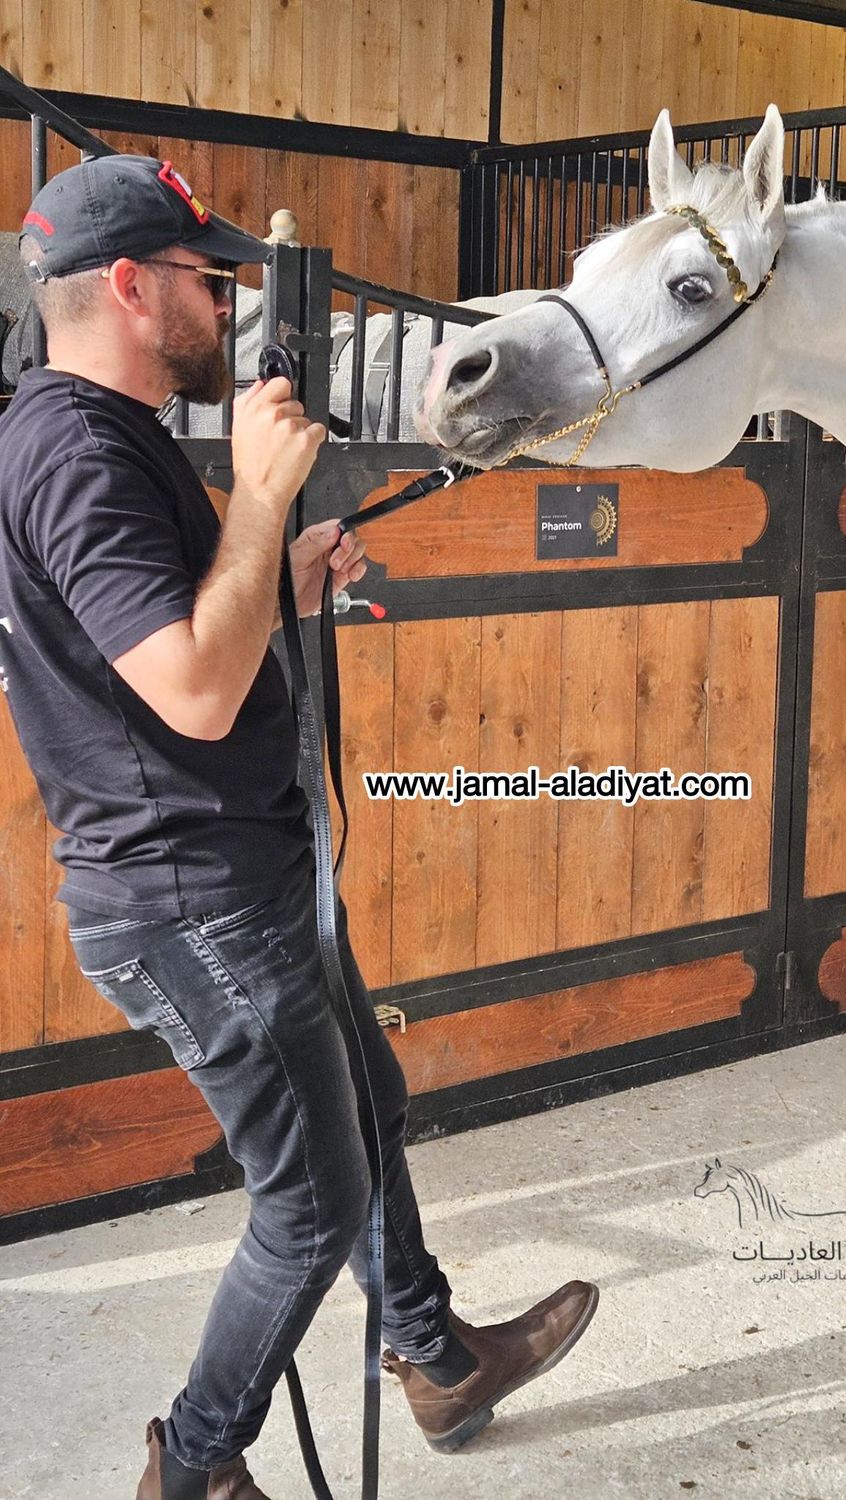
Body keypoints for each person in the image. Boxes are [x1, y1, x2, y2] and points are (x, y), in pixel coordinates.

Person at [0, 155, 598, 1500]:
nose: (228, 305)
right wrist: (265, 502)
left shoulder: (99, 433)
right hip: (189, 897)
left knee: (366, 1114)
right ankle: (196, 1467)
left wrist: (278, 575)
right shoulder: (78, 454)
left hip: (237, 876)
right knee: (309, 1203)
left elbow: (164, 641)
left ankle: (433, 1354)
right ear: (130, 286)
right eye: (209, 282)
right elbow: (195, 694)